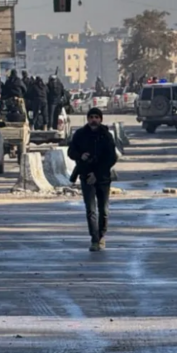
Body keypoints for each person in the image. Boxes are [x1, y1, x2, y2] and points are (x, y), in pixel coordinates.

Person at [68, 108, 118, 252]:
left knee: (104, 210)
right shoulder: (80, 134)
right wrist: (80, 156)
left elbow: (111, 158)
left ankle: (101, 235)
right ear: (88, 119)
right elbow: (71, 152)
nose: (94, 120)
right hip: (86, 176)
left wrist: (97, 173)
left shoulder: (106, 136)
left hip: (102, 178)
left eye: (96, 117)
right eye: (91, 117)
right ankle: (94, 239)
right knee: (91, 210)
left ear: (100, 119)